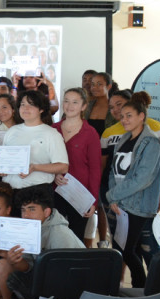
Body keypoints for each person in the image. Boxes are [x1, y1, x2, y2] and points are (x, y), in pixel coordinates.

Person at [106, 93, 160, 288]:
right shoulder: (123, 139)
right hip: (120, 204)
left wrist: (112, 195)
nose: (124, 120)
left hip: (137, 205)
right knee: (129, 249)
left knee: (126, 250)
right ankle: (141, 289)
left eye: (129, 115)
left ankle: (145, 289)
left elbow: (143, 179)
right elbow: (114, 172)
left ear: (142, 116)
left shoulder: (151, 143)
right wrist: (114, 197)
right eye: (122, 116)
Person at [0, 185, 84, 299]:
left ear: (46, 212)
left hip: (70, 287)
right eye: (23, 210)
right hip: (45, 277)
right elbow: (28, 267)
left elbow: (66, 273)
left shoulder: (59, 233)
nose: (25, 215)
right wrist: (13, 259)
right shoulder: (29, 229)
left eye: (32, 209)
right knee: (3, 264)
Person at [2, 91, 68, 208]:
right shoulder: (12, 131)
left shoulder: (51, 134)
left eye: (31, 105)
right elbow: (4, 161)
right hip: (10, 192)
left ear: (41, 109)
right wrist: (1, 169)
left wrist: (35, 167)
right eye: (22, 104)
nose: (25, 108)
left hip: (38, 193)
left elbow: (63, 166)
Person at [52, 88, 101, 246]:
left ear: (83, 106)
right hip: (54, 190)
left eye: (75, 102)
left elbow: (95, 169)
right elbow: (45, 160)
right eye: (66, 100)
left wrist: (93, 201)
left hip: (80, 194)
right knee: (55, 236)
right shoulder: (53, 129)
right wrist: (53, 174)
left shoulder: (90, 133)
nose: (69, 105)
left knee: (76, 238)